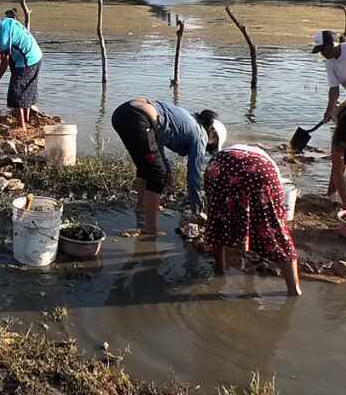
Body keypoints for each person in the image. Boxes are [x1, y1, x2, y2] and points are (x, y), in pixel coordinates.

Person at [111, 98, 226, 236]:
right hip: (138, 118)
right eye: (211, 146)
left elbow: (156, 140)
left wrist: (168, 168)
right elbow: (194, 175)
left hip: (122, 113)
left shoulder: (187, 118)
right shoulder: (201, 135)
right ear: (212, 134)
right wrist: (197, 209)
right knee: (157, 174)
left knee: (146, 166)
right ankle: (150, 229)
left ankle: (141, 206)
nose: (208, 148)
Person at [203, 144, 302, 297]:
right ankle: (294, 289)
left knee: (217, 219)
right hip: (261, 173)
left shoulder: (228, 151)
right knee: (276, 233)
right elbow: (276, 212)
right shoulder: (273, 172)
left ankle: (219, 270)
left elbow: (234, 211)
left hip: (218, 167)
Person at [0, 11, 43, 130]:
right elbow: (10, 39)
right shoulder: (7, 21)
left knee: (16, 93)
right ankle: (26, 120)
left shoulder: (2, 35)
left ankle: (21, 125)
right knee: (26, 90)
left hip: (26, 60)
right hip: (36, 56)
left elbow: (5, 62)